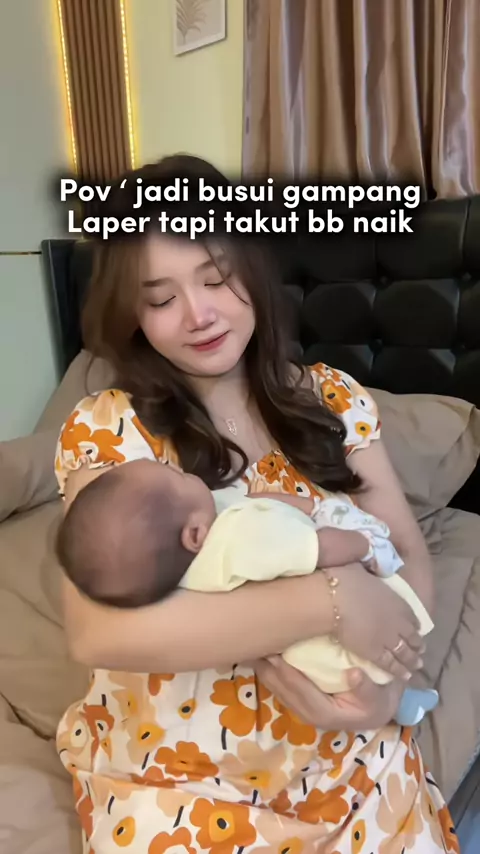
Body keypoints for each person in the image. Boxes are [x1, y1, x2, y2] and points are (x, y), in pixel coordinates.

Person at [54, 154, 458, 854]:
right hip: (177, 781)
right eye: (161, 299)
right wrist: (331, 599)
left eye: (216, 277)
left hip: (344, 758)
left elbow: (407, 552)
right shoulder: (107, 426)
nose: (199, 314)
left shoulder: (333, 399)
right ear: (132, 315)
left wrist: (389, 691)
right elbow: (97, 634)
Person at [55, 457, 438, 728]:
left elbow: (410, 550)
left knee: (380, 674)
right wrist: (356, 554)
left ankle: (398, 700)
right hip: (332, 662)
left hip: (344, 690)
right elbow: (315, 548)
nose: (187, 473)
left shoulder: (183, 559)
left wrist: (384, 702)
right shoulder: (236, 537)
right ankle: (399, 698)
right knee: (364, 664)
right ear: (194, 535)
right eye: (179, 476)